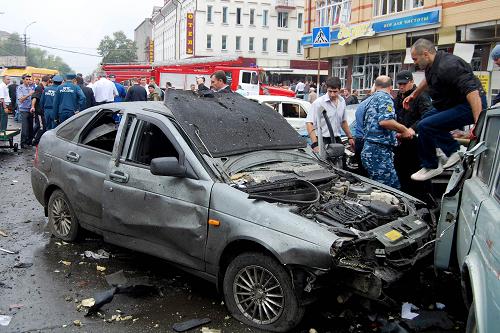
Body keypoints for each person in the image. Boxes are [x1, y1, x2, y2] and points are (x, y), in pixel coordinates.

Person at [404, 39, 487, 181]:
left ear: (425, 54)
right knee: (423, 121)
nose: (414, 63)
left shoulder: (450, 66)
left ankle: (432, 165)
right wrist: (414, 94)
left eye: (415, 59)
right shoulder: (432, 65)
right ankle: (452, 151)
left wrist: (477, 124)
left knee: (426, 125)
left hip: (468, 105)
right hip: (450, 103)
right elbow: (428, 80)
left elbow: (473, 93)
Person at [361, 76, 413, 189]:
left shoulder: (370, 99)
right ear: (390, 87)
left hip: (371, 149)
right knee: (390, 190)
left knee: (379, 188)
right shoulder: (385, 98)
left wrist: (394, 135)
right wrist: (404, 130)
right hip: (379, 152)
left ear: (376, 85)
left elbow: (374, 126)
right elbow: (385, 122)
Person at [393, 70, 433, 199]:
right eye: (399, 84)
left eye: (404, 84)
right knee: (402, 174)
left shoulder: (421, 96)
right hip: (401, 144)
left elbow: (428, 116)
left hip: (417, 142)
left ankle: (425, 202)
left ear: (411, 82)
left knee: (419, 177)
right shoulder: (398, 97)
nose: (401, 86)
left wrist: (412, 129)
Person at [306, 77, 354, 153]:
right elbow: (309, 123)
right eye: (330, 91)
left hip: (337, 139)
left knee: (342, 163)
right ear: (327, 89)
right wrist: (315, 144)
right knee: (326, 164)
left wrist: (350, 137)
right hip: (323, 140)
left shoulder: (342, 101)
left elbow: (343, 122)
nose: (332, 94)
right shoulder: (319, 103)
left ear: (339, 89)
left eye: (335, 91)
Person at [351, 84, 376, 177]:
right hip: (367, 141)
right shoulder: (374, 105)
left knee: (362, 172)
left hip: (359, 140)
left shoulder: (362, 104)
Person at [17, 74, 35, 148]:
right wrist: (29, 94)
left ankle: (29, 141)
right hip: (23, 109)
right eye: (26, 79)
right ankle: (23, 143)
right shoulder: (20, 88)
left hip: (30, 109)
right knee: (25, 127)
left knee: (31, 127)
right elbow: (21, 100)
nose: (28, 81)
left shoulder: (31, 87)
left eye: (29, 79)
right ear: (23, 80)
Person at [31, 75, 49, 146]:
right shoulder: (39, 87)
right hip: (39, 110)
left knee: (38, 125)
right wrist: (32, 107)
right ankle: (35, 140)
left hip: (41, 110)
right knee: (42, 127)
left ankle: (30, 137)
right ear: (47, 81)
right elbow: (34, 98)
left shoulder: (43, 87)